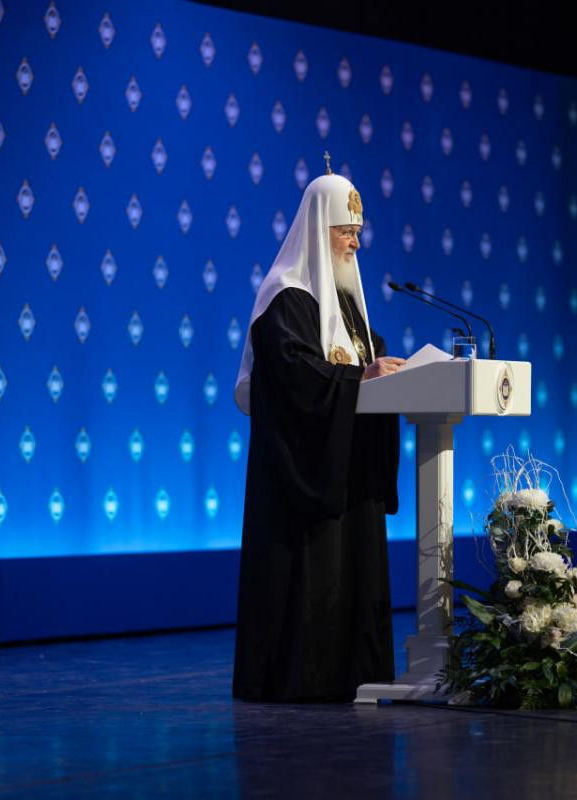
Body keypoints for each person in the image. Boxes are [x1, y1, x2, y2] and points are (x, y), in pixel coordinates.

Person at [232, 163, 406, 702]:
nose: (355, 243)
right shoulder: (285, 298)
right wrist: (358, 379)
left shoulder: (349, 305)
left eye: (357, 232)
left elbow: (361, 359)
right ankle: (304, 678)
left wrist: (384, 371)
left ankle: (357, 672)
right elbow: (295, 377)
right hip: (302, 480)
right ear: (317, 231)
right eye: (346, 232)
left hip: (349, 472)